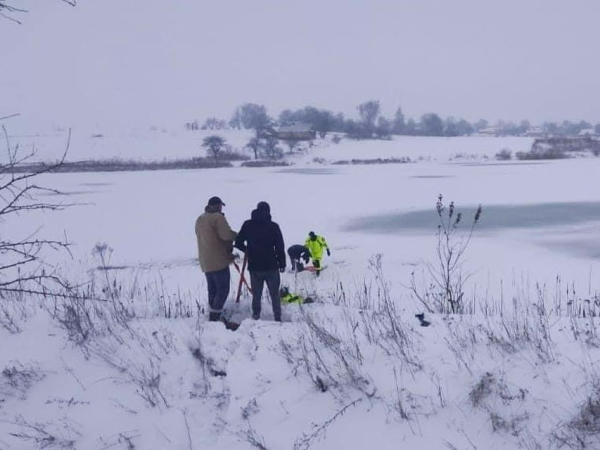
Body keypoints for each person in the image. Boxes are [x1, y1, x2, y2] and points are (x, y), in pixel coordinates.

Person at [235, 201, 286, 321]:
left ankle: (256, 316)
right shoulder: (273, 226)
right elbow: (280, 246)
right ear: (268, 212)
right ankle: (277, 317)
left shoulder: (247, 225)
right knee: (274, 294)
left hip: (254, 266)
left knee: (256, 295)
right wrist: (282, 263)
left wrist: (248, 250)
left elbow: (238, 242)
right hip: (271, 265)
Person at [195, 196, 237, 322]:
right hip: (219, 261)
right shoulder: (218, 218)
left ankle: (213, 314)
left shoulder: (200, 219)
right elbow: (226, 235)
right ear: (217, 206)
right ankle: (216, 316)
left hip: (205, 261)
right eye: (220, 206)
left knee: (212, 290)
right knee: (223, 290)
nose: (221, 208)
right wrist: (237, 236)